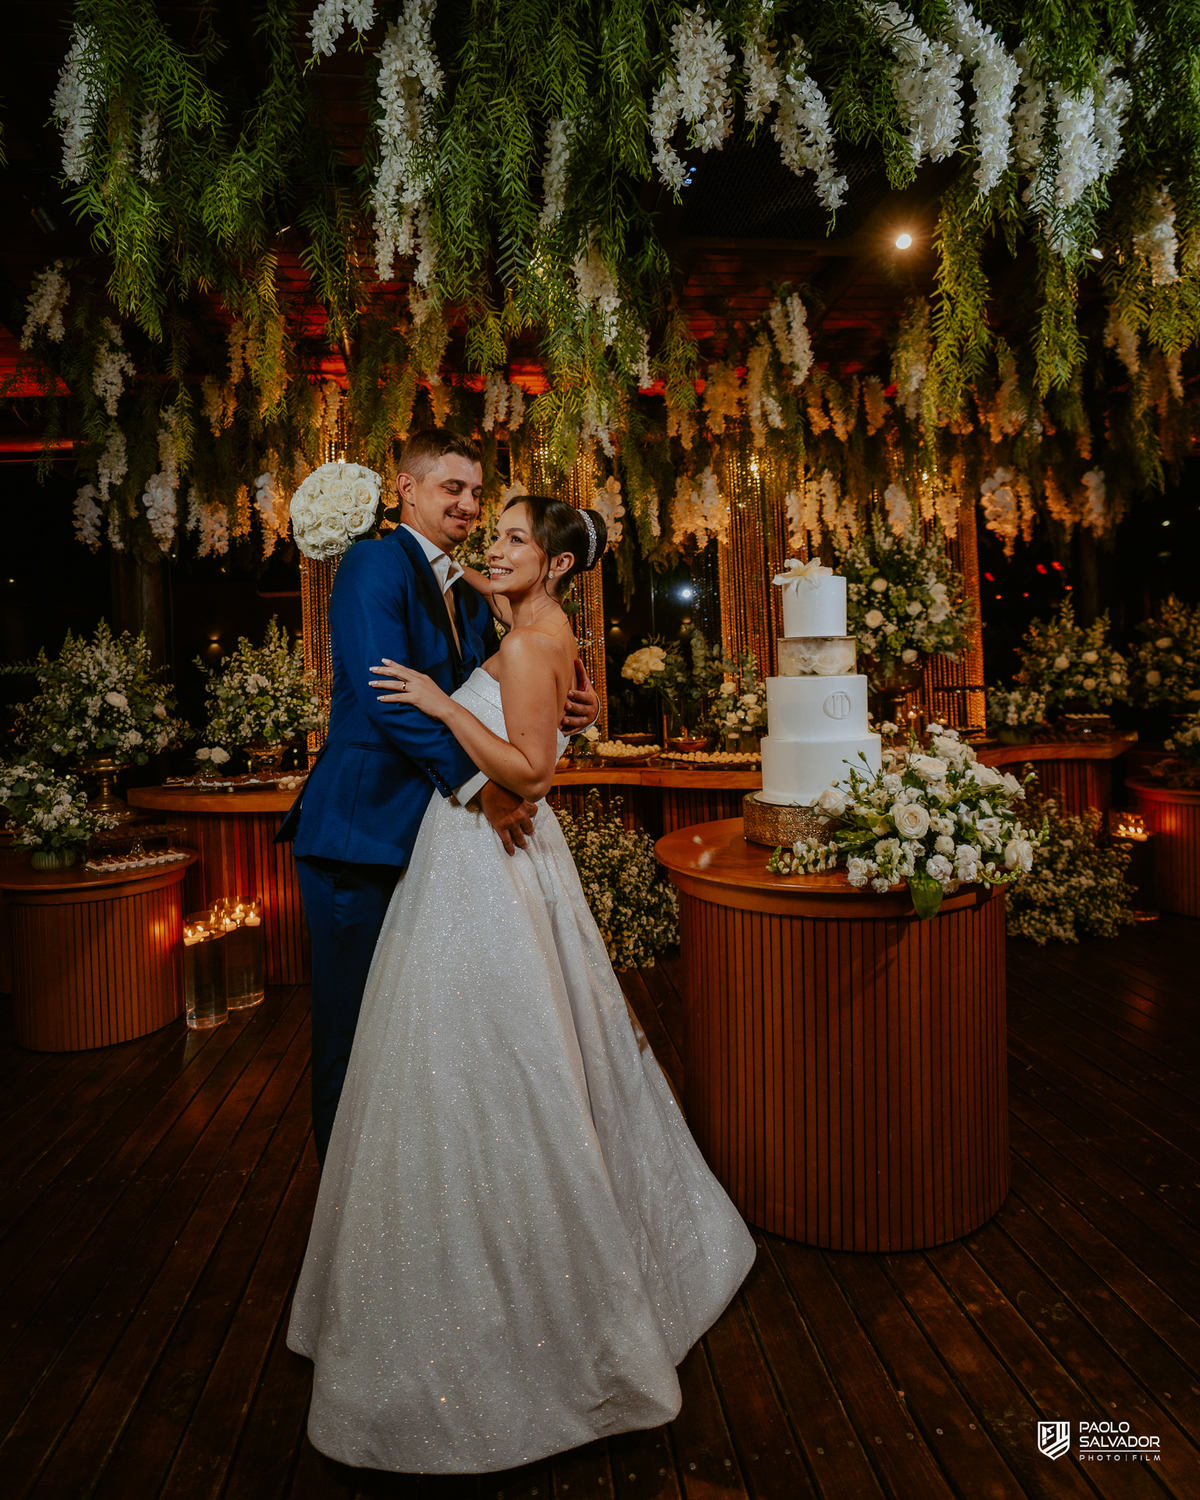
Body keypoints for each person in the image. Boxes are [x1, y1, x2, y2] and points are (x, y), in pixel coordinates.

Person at [286, 495, 756, 1475]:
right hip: (463, 853)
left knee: (499, 1058)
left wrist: (442, 702)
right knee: (458, 1057)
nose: (488, 546)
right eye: (485, 528)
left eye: (510, 537)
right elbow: (465, 597)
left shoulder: (537, 638)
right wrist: (373, 526)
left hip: (487, 848)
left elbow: (533, 773)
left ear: (555, 564)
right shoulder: (519, 618)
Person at [278, 430, 598, 1165]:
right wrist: (482, 787)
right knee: (353, 1031)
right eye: (452, 488)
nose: (468, 504)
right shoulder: (373, 563)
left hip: (430, 843)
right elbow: (387, 698)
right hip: (360, 833)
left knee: (411, 1038)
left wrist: (574, 704)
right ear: (407, 489)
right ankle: (342, 1195)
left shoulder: (471, 592)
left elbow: (507, 682)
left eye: (477, 492)